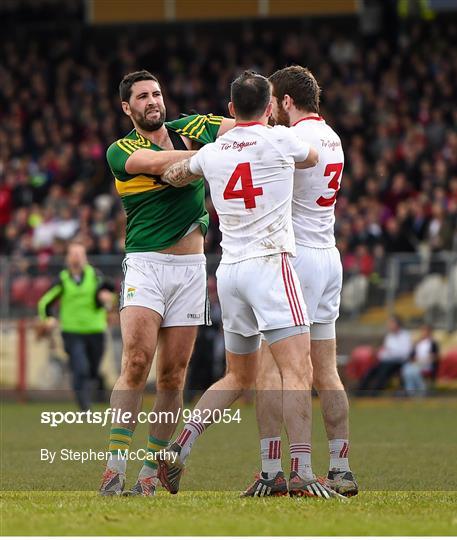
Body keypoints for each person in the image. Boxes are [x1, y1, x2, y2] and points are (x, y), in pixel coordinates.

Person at [159, 71, 340, 499]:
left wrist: (185, 153)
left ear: (231, 109)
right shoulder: (280, 140)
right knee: (298, 370)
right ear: (271, 107)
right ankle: (301, 471)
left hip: (230, 272)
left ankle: (180, 446)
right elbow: (314, 157)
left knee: (237, 376)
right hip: (270, 265)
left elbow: (178, 175)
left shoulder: (213, 150)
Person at [99, 70, 235, 496]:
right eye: (142, 97)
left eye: (156, 93)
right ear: (128, 108)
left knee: (174, 376)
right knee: (136, 362)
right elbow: (157, 164)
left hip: (191, 269)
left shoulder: (188, 127)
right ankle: (113, 468)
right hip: (145, 265)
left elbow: (242, 126)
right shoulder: (121, 150)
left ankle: (147, 474)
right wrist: (202, 160)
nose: (152, 101)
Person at [245, 66, 358, 497]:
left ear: (286, 101)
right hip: (329, 255)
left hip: (298, 259)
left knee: (273, 369)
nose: (271, 109)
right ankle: (342, 468)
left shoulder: (294, 140)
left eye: (274, 101)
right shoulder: (334, 137)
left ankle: (278, 469)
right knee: (326, 370)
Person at [37, 241, 115, 411]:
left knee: (93, 370)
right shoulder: (62, 279)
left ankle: (95, 388)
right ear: (67, 258)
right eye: (73, 254)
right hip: (72, 332)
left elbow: (111, 297)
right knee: (81, 368)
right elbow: (44, 303)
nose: (77, 257)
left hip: (96, 330)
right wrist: (48, 318)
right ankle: (84, 406)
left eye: (80, 254)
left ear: (85, 257)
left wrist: (107, 300)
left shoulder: (96, 276)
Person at [357, 315, 412, 396]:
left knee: (383, 372)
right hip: (385, 361)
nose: (389, 325)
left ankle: (375, 394)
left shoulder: (405, 336)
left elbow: (404, 353)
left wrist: (390, 352)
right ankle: (360, 392)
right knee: (370, 370)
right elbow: (384, 351)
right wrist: (380, 354)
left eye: (391, 323)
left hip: (398, 362)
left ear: (397, 324)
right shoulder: (389, 336)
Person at [401, 324, 439, 397]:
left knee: (414, 370)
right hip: (416, 363)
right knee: (406, 370)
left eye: (426, 331)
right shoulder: (418, 343)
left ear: (430, 332)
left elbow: (435, 356)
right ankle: (410, 392)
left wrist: (425, 359)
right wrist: (414, 359)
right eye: (423, 331)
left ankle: (421, 390)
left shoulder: (433, 343)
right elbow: (411, 355)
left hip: (426, 363)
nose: (424, 332)